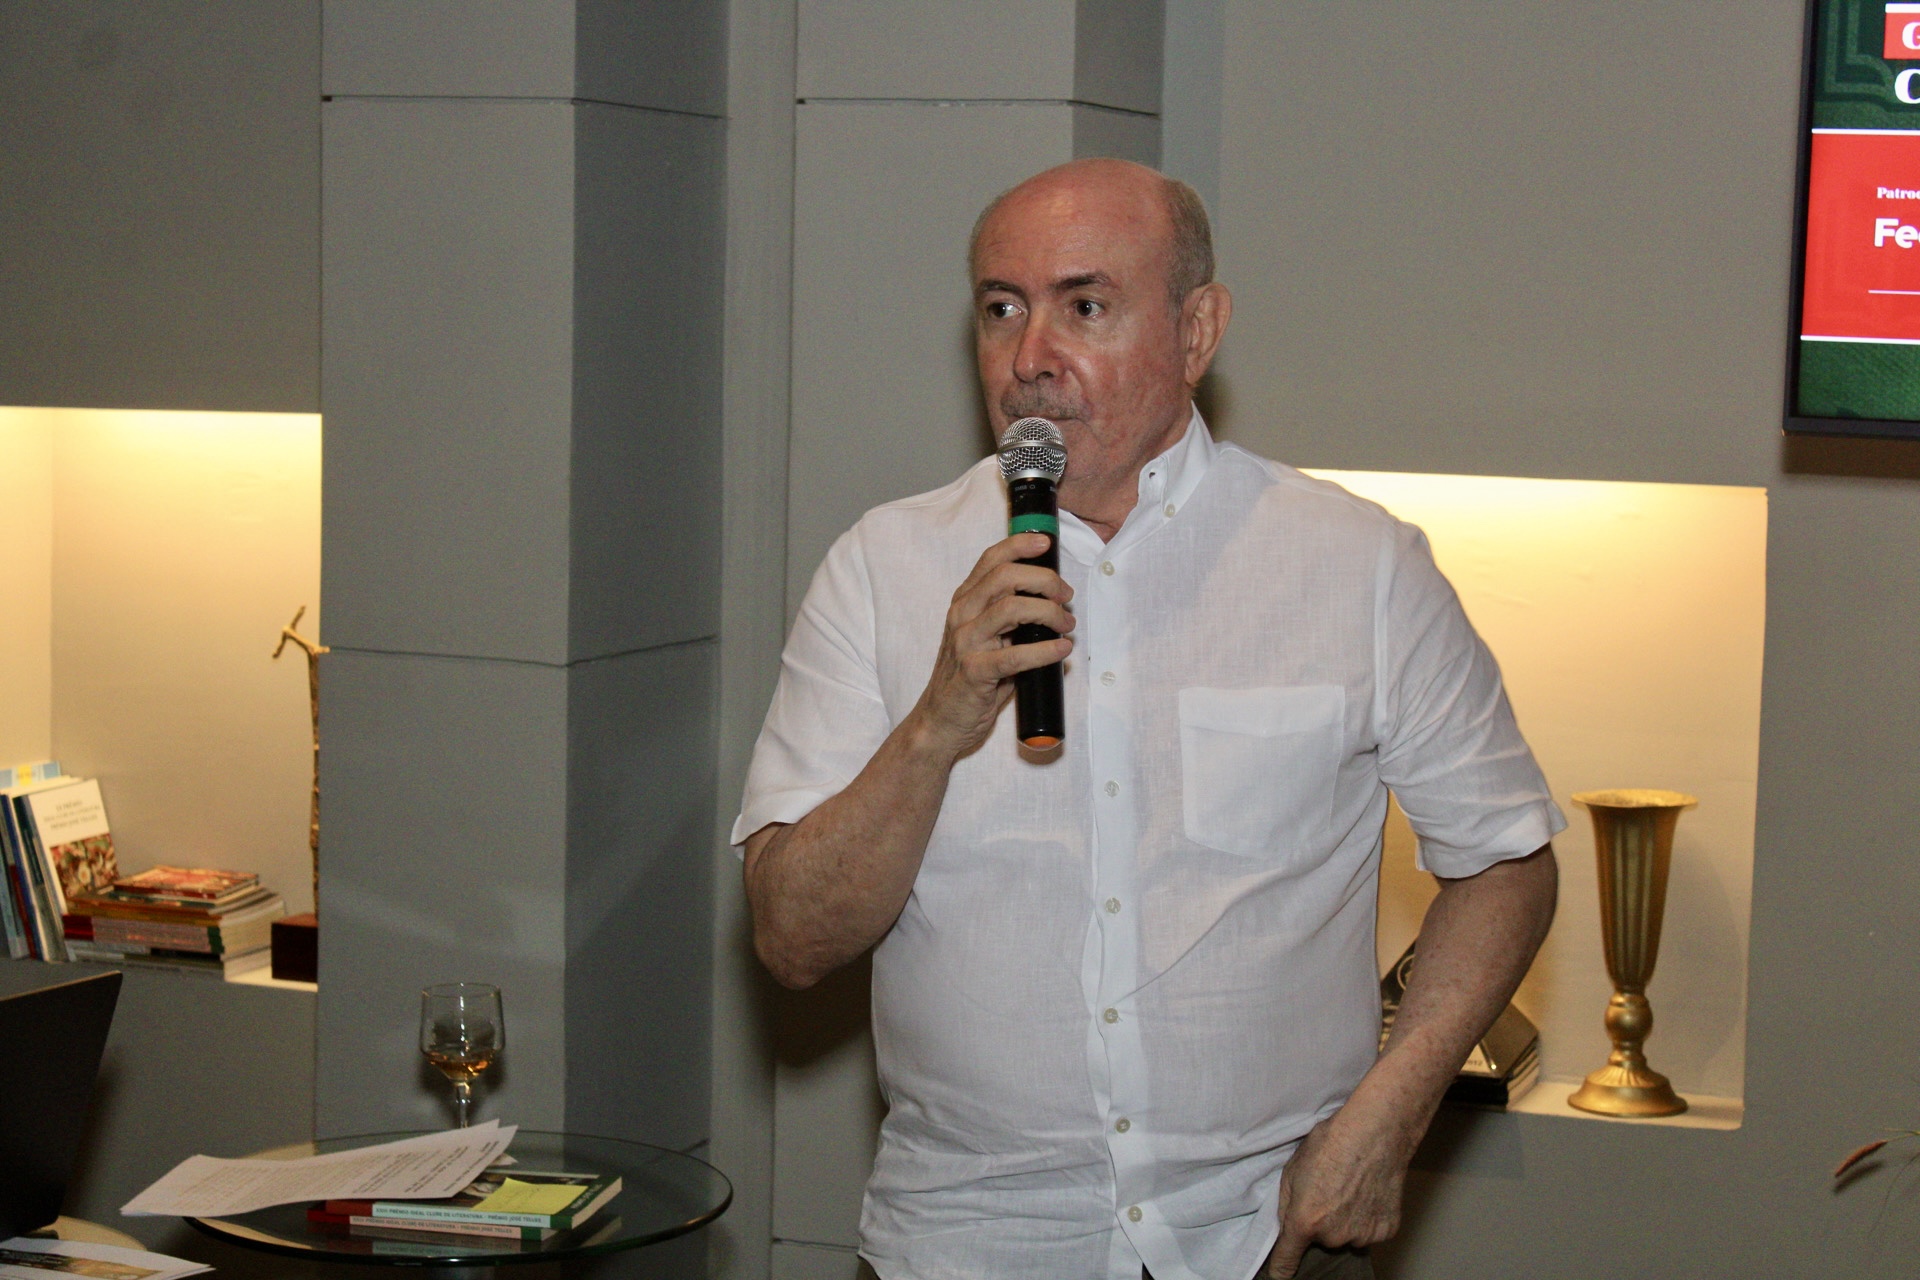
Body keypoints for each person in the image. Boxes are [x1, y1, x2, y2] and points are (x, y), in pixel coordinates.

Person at [733, 157, 1562, 1280]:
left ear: (1197, 329)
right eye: (1001, 309)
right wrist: (937, 721)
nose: (1031, 356)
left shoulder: (1356, 565)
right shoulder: (882, 568)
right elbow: (791, 937)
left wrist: (1391, 1114)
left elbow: (1506, 862)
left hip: (1267, 1239)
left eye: (1084, 306)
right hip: (964, 1245)